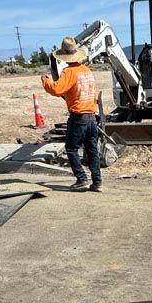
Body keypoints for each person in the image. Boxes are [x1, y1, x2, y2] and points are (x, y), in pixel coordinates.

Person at [41, 37, 103, 193]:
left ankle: (81, 179)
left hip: (79, 117)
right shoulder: (87, 71)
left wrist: (45, 80)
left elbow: (56, 89)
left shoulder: (69, 72)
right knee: (92, 150)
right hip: (91, 116)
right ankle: (97, 182)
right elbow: (93, 93)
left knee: (71, 148)